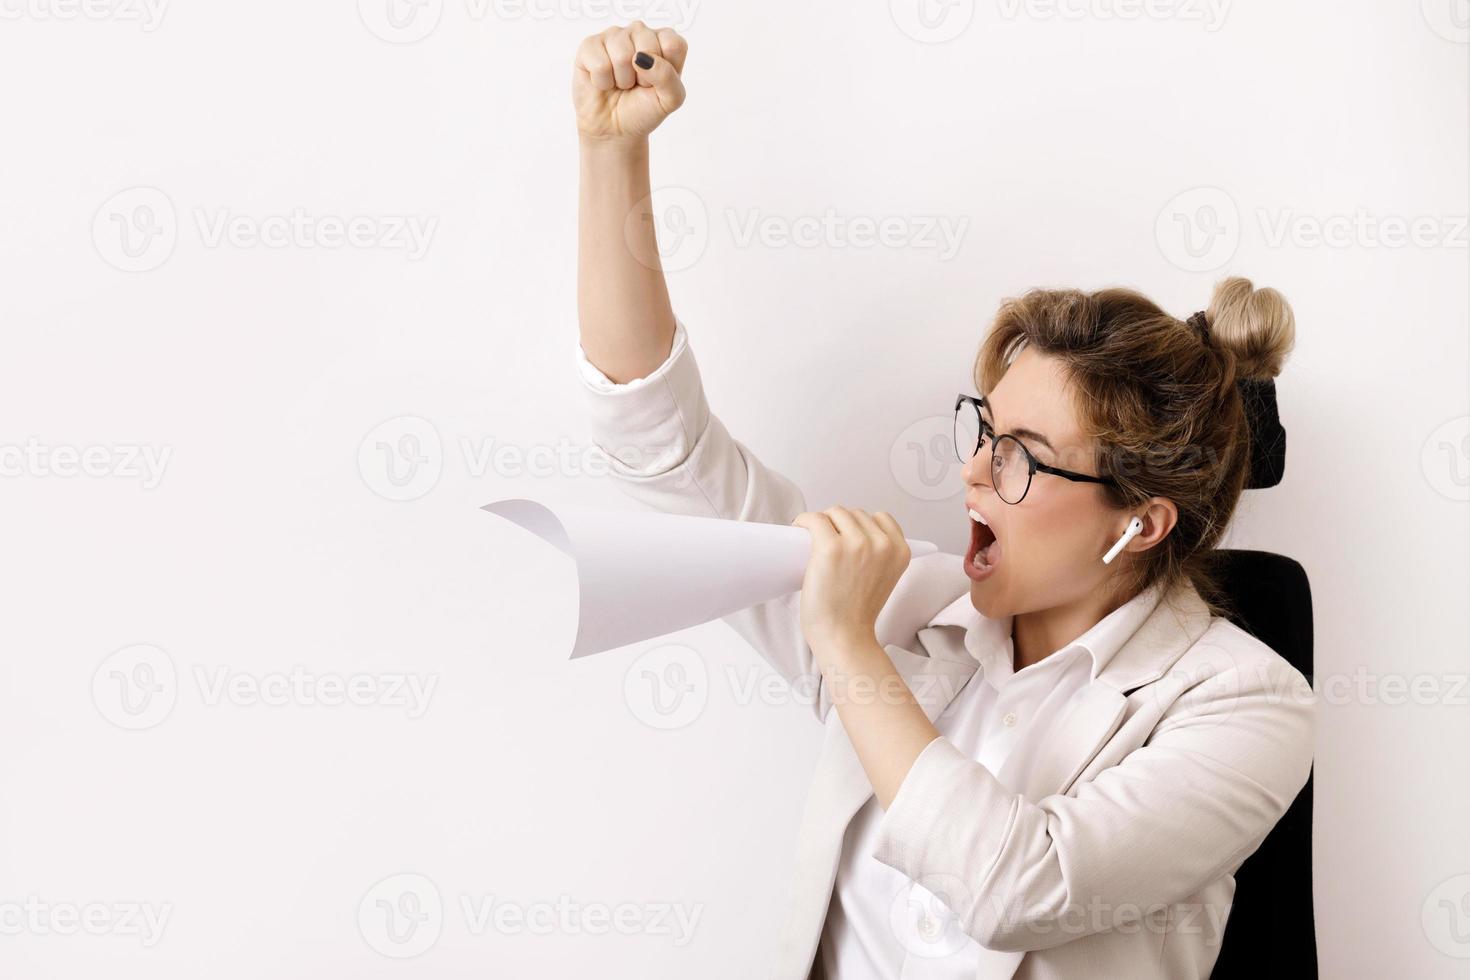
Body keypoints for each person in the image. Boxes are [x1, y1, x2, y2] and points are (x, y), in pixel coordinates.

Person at [571, 23, 1316, 980]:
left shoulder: (1244, 703)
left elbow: (1022, 890)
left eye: (1021, 458)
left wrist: (846, 650)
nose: (970, 473)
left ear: (1141, 520)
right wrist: (611, 153)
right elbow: (666, 453)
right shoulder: (910, 607)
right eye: (982, 431)